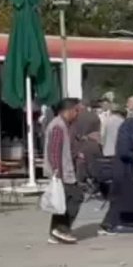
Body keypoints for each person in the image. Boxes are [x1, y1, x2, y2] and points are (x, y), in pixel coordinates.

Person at [44, 98, 83, 244]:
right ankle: (62, 228)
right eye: (76, 110)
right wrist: (57, 172)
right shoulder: (58, 126)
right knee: (75, 198)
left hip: (64, 171)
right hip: (62, 173)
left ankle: (55, 232)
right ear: (69, 110)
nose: (77, 114)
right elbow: (54, 150)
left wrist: (76, 155)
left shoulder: (63, 125)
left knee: (61, 202)